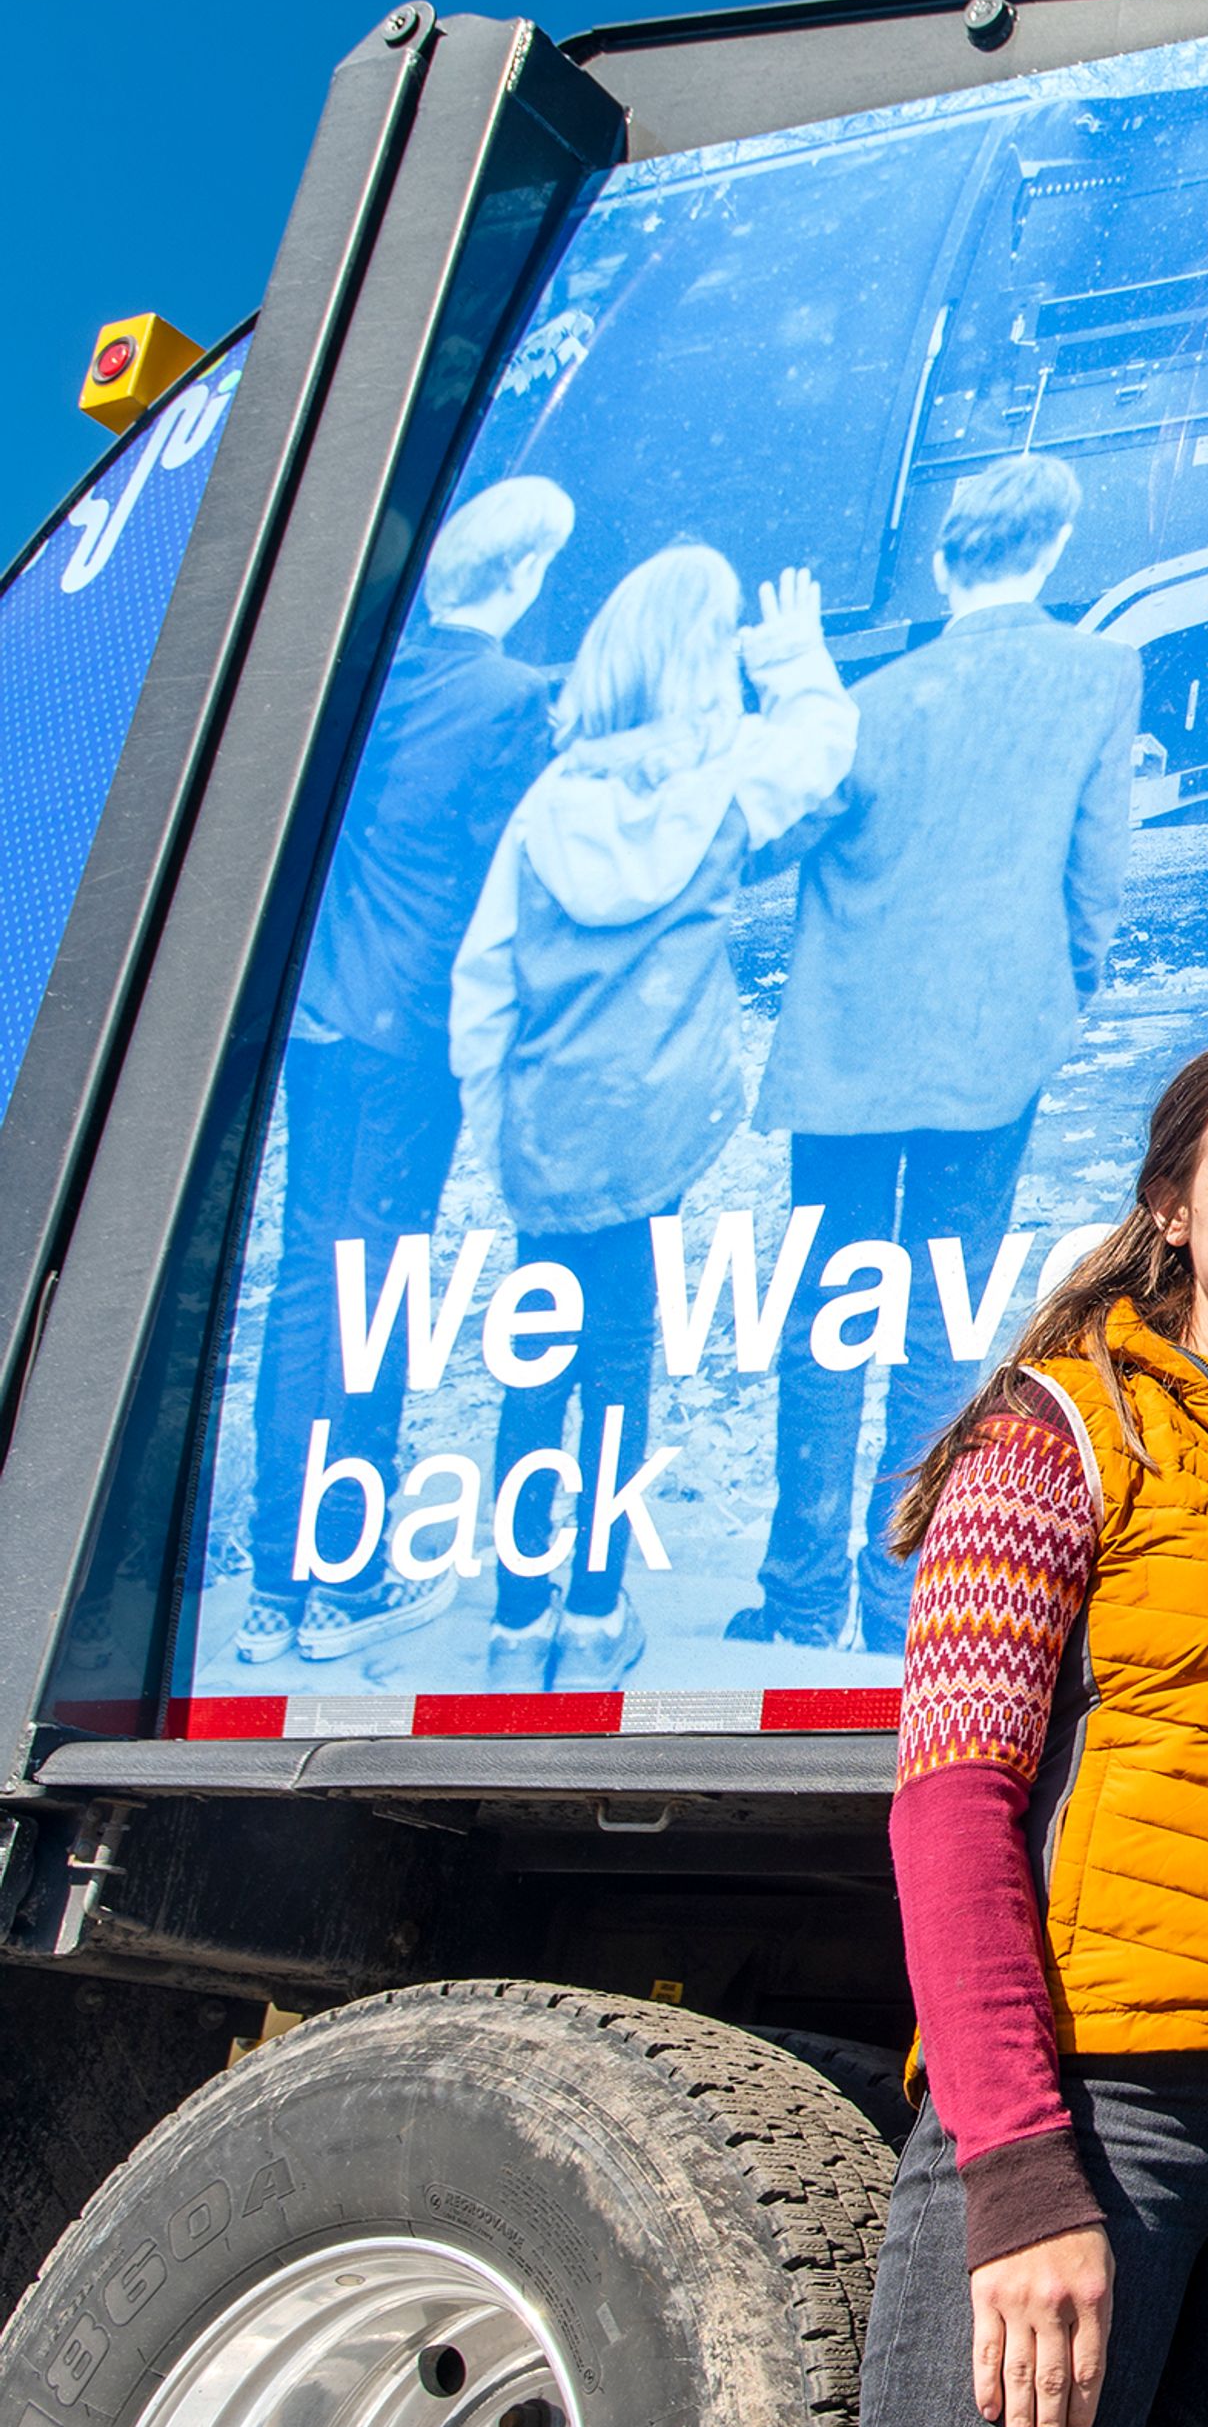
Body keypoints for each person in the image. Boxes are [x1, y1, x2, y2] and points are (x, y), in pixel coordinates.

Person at [848, 1030, 1208, 2427]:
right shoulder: (1062, 1430)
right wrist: (1021, 2174)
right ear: (1171, 1204)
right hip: (1108, 2112)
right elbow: (953, 1812)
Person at [737, 455, 1140, 1652]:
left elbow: (782, 835)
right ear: (1054, 544)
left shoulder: (869, 698)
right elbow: (1096, 862)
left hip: (850, 1042)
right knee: (939, 1311)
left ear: (939, 560)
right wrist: (1067, 993)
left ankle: (798, 1590)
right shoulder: (1100, 672)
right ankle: (893, 1587)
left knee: (827, 1310)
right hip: (993, 1037)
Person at [449, 545, 854, 1687]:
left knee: (536, 1365)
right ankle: (594, 1608)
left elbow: (483, 985)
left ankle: (515, 1620)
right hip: (654, 1131)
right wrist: (792, 659)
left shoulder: (546, 806)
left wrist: (496, 1120)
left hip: (549, 1130)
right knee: (624, 1359)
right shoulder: (723, 784)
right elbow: (824, 749)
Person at [234, 474, 573, 1669]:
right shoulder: (513, 700)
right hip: (407, 1038)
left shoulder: (374, 691)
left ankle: (277, 1590)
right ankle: (343, 1582)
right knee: (373, 1295)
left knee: (304, 1292)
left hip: (325, 1024)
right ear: (525, 578)